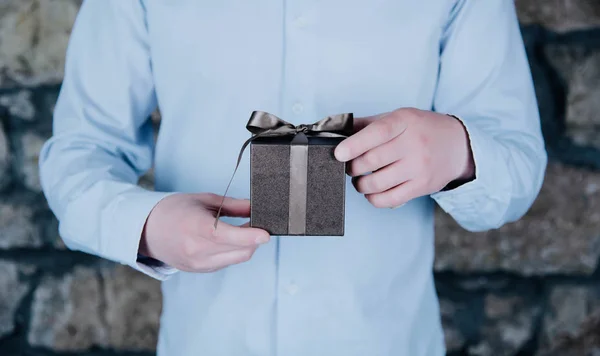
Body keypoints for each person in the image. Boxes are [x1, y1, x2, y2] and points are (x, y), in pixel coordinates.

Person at [39, 1, 547, 355]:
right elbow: (80, 150)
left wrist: (457, 151)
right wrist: (145, 224)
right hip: (206, 342)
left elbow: (518, 163)